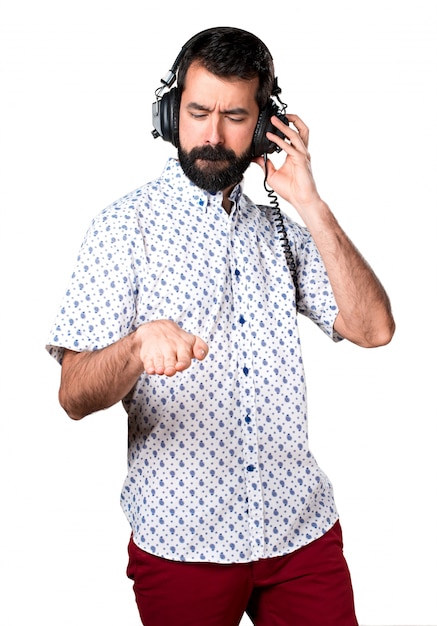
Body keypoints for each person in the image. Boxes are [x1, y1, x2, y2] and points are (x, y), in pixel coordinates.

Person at [46, 26, 395, 626]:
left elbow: (373, 328)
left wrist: (310, 203)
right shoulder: (122, 228)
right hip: (183, 545)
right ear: (170, 112)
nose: (211, 135)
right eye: (197, 111)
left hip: (300, 532)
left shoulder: (281, 228)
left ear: (264, 126)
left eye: (235, 116)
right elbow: (73, 396)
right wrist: (133, 349)